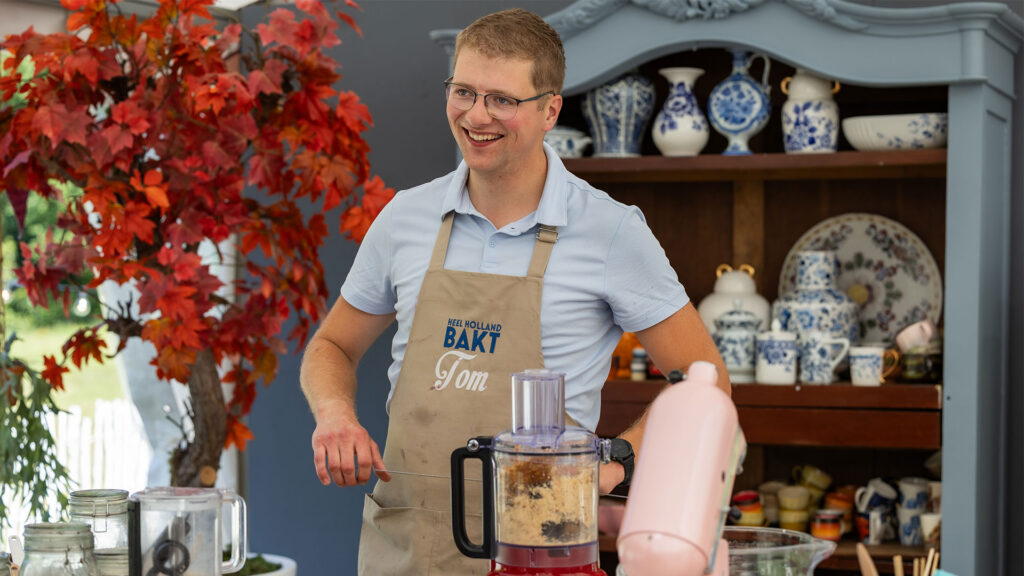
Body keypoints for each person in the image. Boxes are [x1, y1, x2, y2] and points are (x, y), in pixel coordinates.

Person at [299, 8, 729, 575]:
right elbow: (332, 346)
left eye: (502, 99)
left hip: (543, 551)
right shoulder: (406, 217)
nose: (477, 116)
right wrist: (334, 414)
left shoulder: (611, 230)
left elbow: (705, 383)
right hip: (407, 546)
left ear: (550, 109)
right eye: (463, 91)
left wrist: (615, 462)